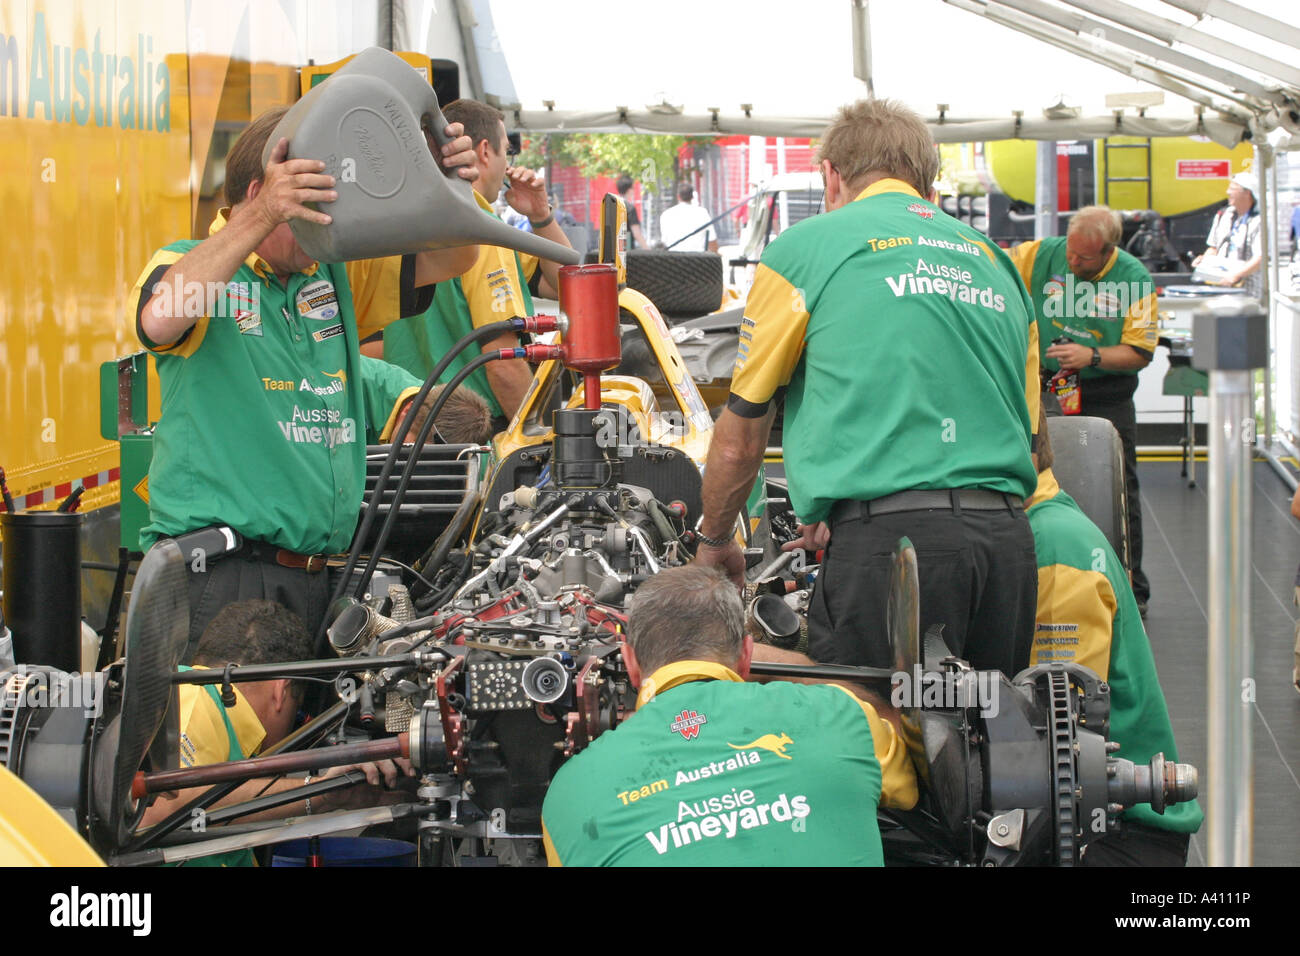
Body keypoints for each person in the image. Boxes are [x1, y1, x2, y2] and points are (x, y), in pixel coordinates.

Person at [694, 98, 1040, 677]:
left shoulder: (805, 249)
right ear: (926, 180)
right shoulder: (996, 261)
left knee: (874, 742)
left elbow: (740, 438)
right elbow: (1030, 438)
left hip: (892, 550)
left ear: (831, 173)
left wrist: (713, 540)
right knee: (993, 751)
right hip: (1004, 545)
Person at [128, 106, 482, 652]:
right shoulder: (188, 263)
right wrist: (263, 215)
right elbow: (158, 319)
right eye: (309, 205)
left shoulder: (330, 268)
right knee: (230, 738)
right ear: (259, 192)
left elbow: (455, 256)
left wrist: (447, 183)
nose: (328, 224)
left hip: (319, 577)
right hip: (225, 575)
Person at [540, 565, 917, 866]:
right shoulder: (839, 715)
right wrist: (797, 666)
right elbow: (909, 769)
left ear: (630, 663)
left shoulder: (568, 793)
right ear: (747, 656)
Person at [1027, 412, 1202, 865]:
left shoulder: (1054, 545)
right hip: (1088, 812)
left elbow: (1054, 736)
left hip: (1122, 832)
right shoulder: (1033, 531)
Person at [141, 600, 413, 865]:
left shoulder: (219, 727)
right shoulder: (194, 696)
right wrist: (318, 793)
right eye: (296, 713)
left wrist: (337, 795)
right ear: (281, 692)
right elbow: (156, 812)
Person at [378, 99, 573, 427]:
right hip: (475, 429)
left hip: (409, 422)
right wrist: (537, 440)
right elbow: (502, 362)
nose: (509, 163)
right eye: (507, 151)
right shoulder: (481, 229)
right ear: (485, 151)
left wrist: (540, 216)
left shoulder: (403, 224)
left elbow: (562, 286)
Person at [1010, 206, 1159, 615]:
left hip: (1105, 392)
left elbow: (1140, 352)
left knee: (1118, 487)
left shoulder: (1135, 279)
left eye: (1084, 259)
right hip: (1048, 387)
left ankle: (1131, 589)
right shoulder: (1044, 253)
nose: (1073, 263)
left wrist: (1090, 354)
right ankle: (1043, 577)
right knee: (1040, 479)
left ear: (1108, 250)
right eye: (1071, 254)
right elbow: (995, 266)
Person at [1193, 171, 1262, 298]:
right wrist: (1204, 260)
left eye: (1233, 188)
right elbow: (1214, 248)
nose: (1228, 192)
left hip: (1247, 292)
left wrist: (1235, 276)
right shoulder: (1223, 215)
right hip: (1219, 289)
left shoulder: (1259, 221)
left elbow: (1259, 258)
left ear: (1247, 193)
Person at [659, 183, 718, 252]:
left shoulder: (666, 214)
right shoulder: (702, 213)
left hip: (673, 259)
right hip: (697, 259)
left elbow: (664, 242)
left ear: (678, 196)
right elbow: (712, 242)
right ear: (692, 197)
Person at [617, 174, 646, 249]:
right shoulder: (629, 208)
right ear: (629, 190)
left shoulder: (609, 206)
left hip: (610, 252)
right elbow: (637, 234)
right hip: (626, 252)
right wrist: (648, 250)